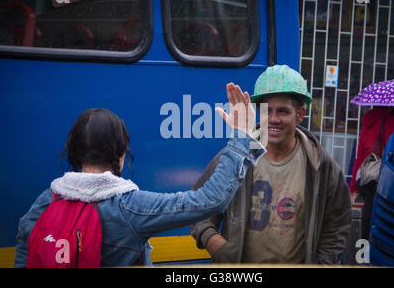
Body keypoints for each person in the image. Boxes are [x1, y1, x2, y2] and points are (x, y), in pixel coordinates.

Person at [14, 83, 265, 267]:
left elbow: (24, 258)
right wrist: (242, 137)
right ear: (121, 154)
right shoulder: (129, 208)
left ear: (73, 152)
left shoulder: (45, 203)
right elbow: (209, 201)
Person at [191, 65, 352, 264]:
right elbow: (198, 207)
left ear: (300, 114)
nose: (274, 119)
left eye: (283, 111)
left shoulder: (320, 165)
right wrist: (214, 243)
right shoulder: (236, 156)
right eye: (268, 111)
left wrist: (323, 263)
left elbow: (338, 224)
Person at [349, 106, 394, 239]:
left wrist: (353, 188)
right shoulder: (393, 122)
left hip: (366, 174)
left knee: (367, 211)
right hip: (382, 177)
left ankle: (364, 248)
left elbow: (360, 156)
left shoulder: (368, 121)